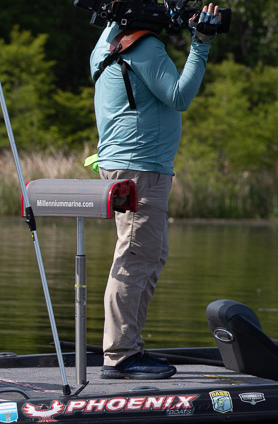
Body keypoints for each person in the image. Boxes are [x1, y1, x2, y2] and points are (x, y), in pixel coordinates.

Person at [91, 4, 220, 380]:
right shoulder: (144, 46)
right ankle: (121, 355)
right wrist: (201, 43)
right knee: (135, 259)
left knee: (148, 255)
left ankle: (128, 345)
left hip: (127, 165)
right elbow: (179, 97)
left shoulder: (107, 40)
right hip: (141, 170)